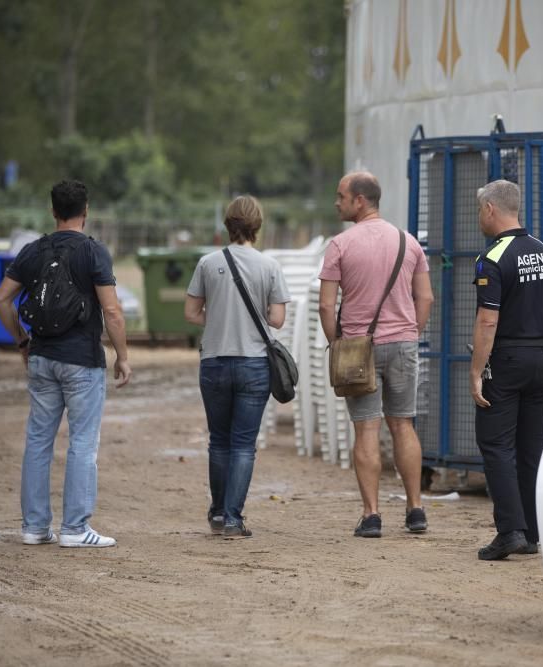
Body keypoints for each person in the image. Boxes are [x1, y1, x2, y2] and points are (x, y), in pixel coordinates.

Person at [0, 179, 132, 548]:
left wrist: (21, 340)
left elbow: (1, 301)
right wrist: (122, 356)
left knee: (38, 440)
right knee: (82, 442)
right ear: (86, 212)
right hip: (82, 360)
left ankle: (35, 527)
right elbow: (112, 311)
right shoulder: (93, 252)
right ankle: (75, 528)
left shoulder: (33, 250)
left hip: (40, 356)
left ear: (53, 211)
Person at [318, 171, 434, 538]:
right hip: (403, 344)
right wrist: (411, 334)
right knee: (403, 424)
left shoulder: (340, 245)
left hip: (358, 348)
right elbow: (426, 297)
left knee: (366, 428)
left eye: (341, 196)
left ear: (360, 201)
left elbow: (325, 306)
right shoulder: (408, 242)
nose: (336, 202)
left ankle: (371, 515)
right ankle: (415, 510)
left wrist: (338, 344)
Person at [470, 179, 543, 561]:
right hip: (541, 359)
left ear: (491, 209)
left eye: (480, 210)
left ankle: (509, 531)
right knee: (531, 447)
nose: (479, 217)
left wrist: (477, 370)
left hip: (506, 361)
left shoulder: (492, 258)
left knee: (496, 446)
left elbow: (487, 321)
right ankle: (531, 531)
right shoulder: (542, 251)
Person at [185, 195, 290, 540]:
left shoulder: (207, 262)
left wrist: (215, 320)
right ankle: (233, 518)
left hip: (214, 360)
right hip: (254, 364)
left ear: (227, 225)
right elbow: (276, 319)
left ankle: (216, 513)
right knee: (244, 443)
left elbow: (190, 313)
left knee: (219, 441)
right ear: (258, 226)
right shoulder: (269, 266)